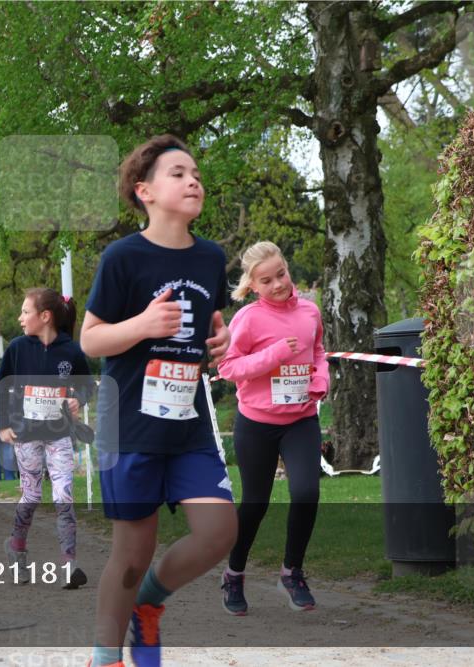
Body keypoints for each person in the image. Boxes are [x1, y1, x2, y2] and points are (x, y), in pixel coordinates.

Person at [80, 135, 232, 667]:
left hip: (187, 421)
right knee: (131, 553)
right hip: (131, 423)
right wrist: (142, 325)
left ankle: (149, 602)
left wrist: (221, 339)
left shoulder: (212, 257)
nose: (194, 180)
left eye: (196, 173)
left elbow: (210, 326)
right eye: (178, 173)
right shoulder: (123, 258)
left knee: (219, 533)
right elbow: (91, 340)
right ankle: (106, 656)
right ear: (144, 191)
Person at [217, 241, 329, 614]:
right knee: (255, 503)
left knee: (306, 492)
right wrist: (275, 354)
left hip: (301, 420)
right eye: (267, 280)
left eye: (281, 274)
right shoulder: (247, 319)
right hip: (257, 424)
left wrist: (321, 380)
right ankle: (233, 574)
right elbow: (228, 368)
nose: (279, 284)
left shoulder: (311, 311)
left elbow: (317, 352)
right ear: (253, 286)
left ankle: (292, 571)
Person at [0, 287, 95, 590]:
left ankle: (69, 565)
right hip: (26, 436)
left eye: (25, 312)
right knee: (32, 495)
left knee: (64, 494)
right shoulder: (17, 349)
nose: (20, 318)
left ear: (45, 316)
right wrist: (2, 425)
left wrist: (79, 399)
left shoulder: (72, 351)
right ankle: (17, 549)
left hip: (59, 435)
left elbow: (87, 386)